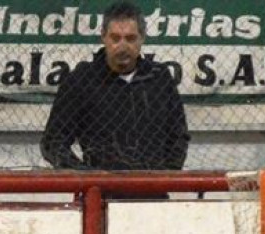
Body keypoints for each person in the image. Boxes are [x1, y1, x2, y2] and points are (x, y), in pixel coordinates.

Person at [40, 2, 189, 172]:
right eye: (115, 38)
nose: (123, 46)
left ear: (142, 38)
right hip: (99, 193)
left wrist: (166, 176)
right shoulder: (82, 80)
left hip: (153, 191)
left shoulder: (159, 78)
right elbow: (52, 142)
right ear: (103, 36)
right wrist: (87, 176)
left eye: (130, 38)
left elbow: (178, 136)